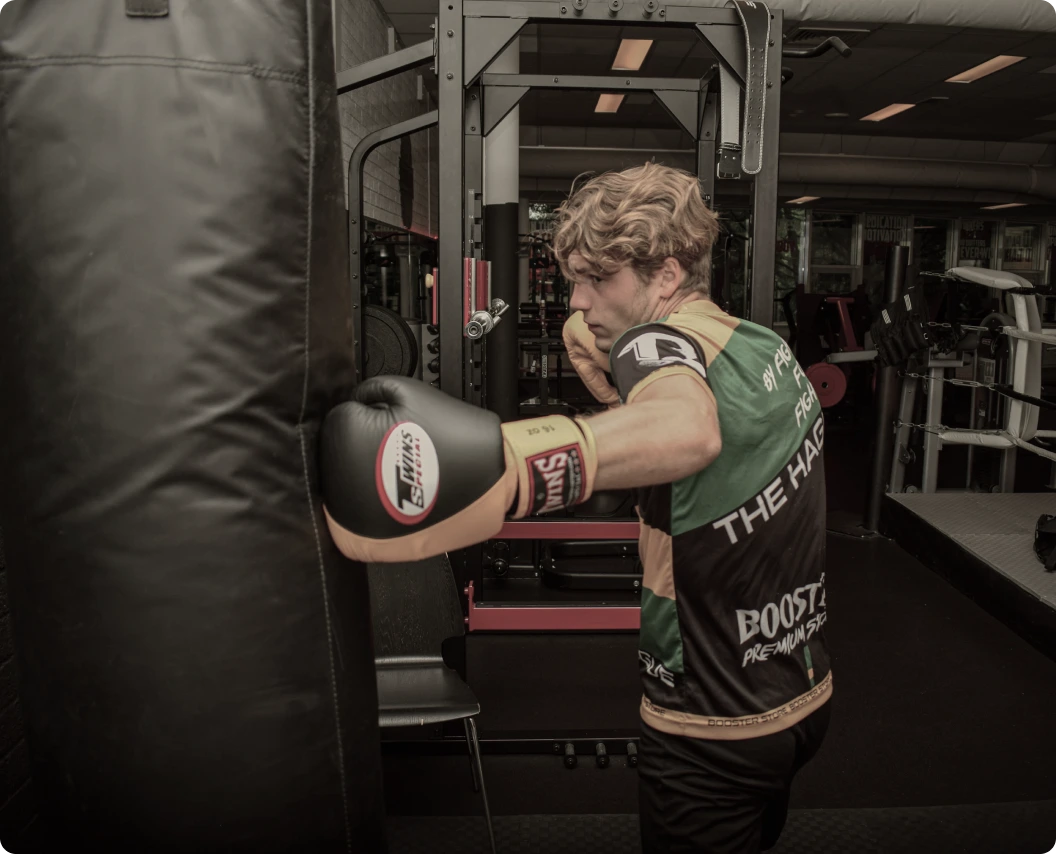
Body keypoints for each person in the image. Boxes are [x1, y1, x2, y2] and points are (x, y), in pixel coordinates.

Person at [318, 162, 831, 853]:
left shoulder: (655, 344)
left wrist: (506, 470)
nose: (578, 301)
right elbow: (698, 448)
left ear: (667, 275)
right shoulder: (762, 348)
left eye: (598, 280)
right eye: (573, 280)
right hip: (799, 693)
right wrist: (613, 380)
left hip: (707, 721)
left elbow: (687, 430)